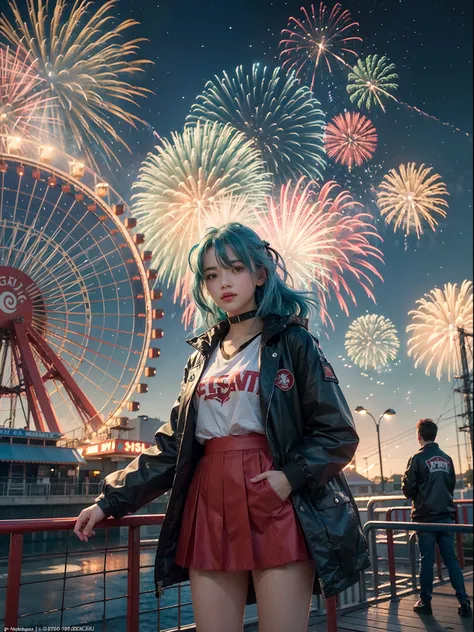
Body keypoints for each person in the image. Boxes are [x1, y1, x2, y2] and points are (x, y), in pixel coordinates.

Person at [74, 222, 370, 632]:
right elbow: (172, 447)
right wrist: (109, 501)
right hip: (209, 499)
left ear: (260, 274)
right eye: (212, 275)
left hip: (275, 497)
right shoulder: (201, 357)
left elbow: (337, 432)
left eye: (234, 269)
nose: (223, 283)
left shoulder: (292, 342)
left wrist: (288, 478)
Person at [402, 418, 471, 618]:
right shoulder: (447, 458)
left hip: (424, 518)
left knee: (427, 560)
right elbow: (450, 485)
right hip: (446, 516)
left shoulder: (417, 458)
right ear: (435, 435)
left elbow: (408, 490)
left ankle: (425, 602)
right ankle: (464, 602)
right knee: (452, 560)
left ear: (419, 436)